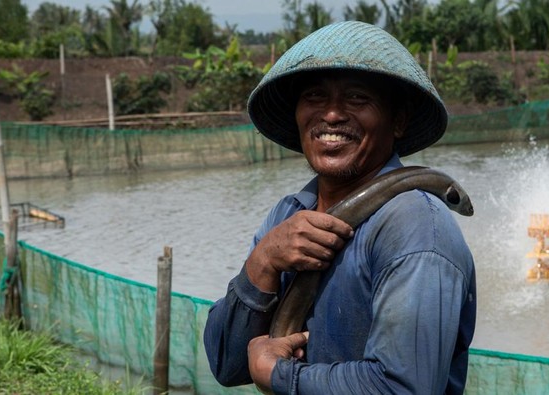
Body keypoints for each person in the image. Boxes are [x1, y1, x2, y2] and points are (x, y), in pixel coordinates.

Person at [203, 21, 476, 394]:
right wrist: (263, 260)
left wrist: (280, 375)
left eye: (357, 98)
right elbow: (227, 364)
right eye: (314, 97)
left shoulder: (414, 228)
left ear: (397, 121)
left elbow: (404, 387)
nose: (331, 115)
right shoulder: (286, 216)